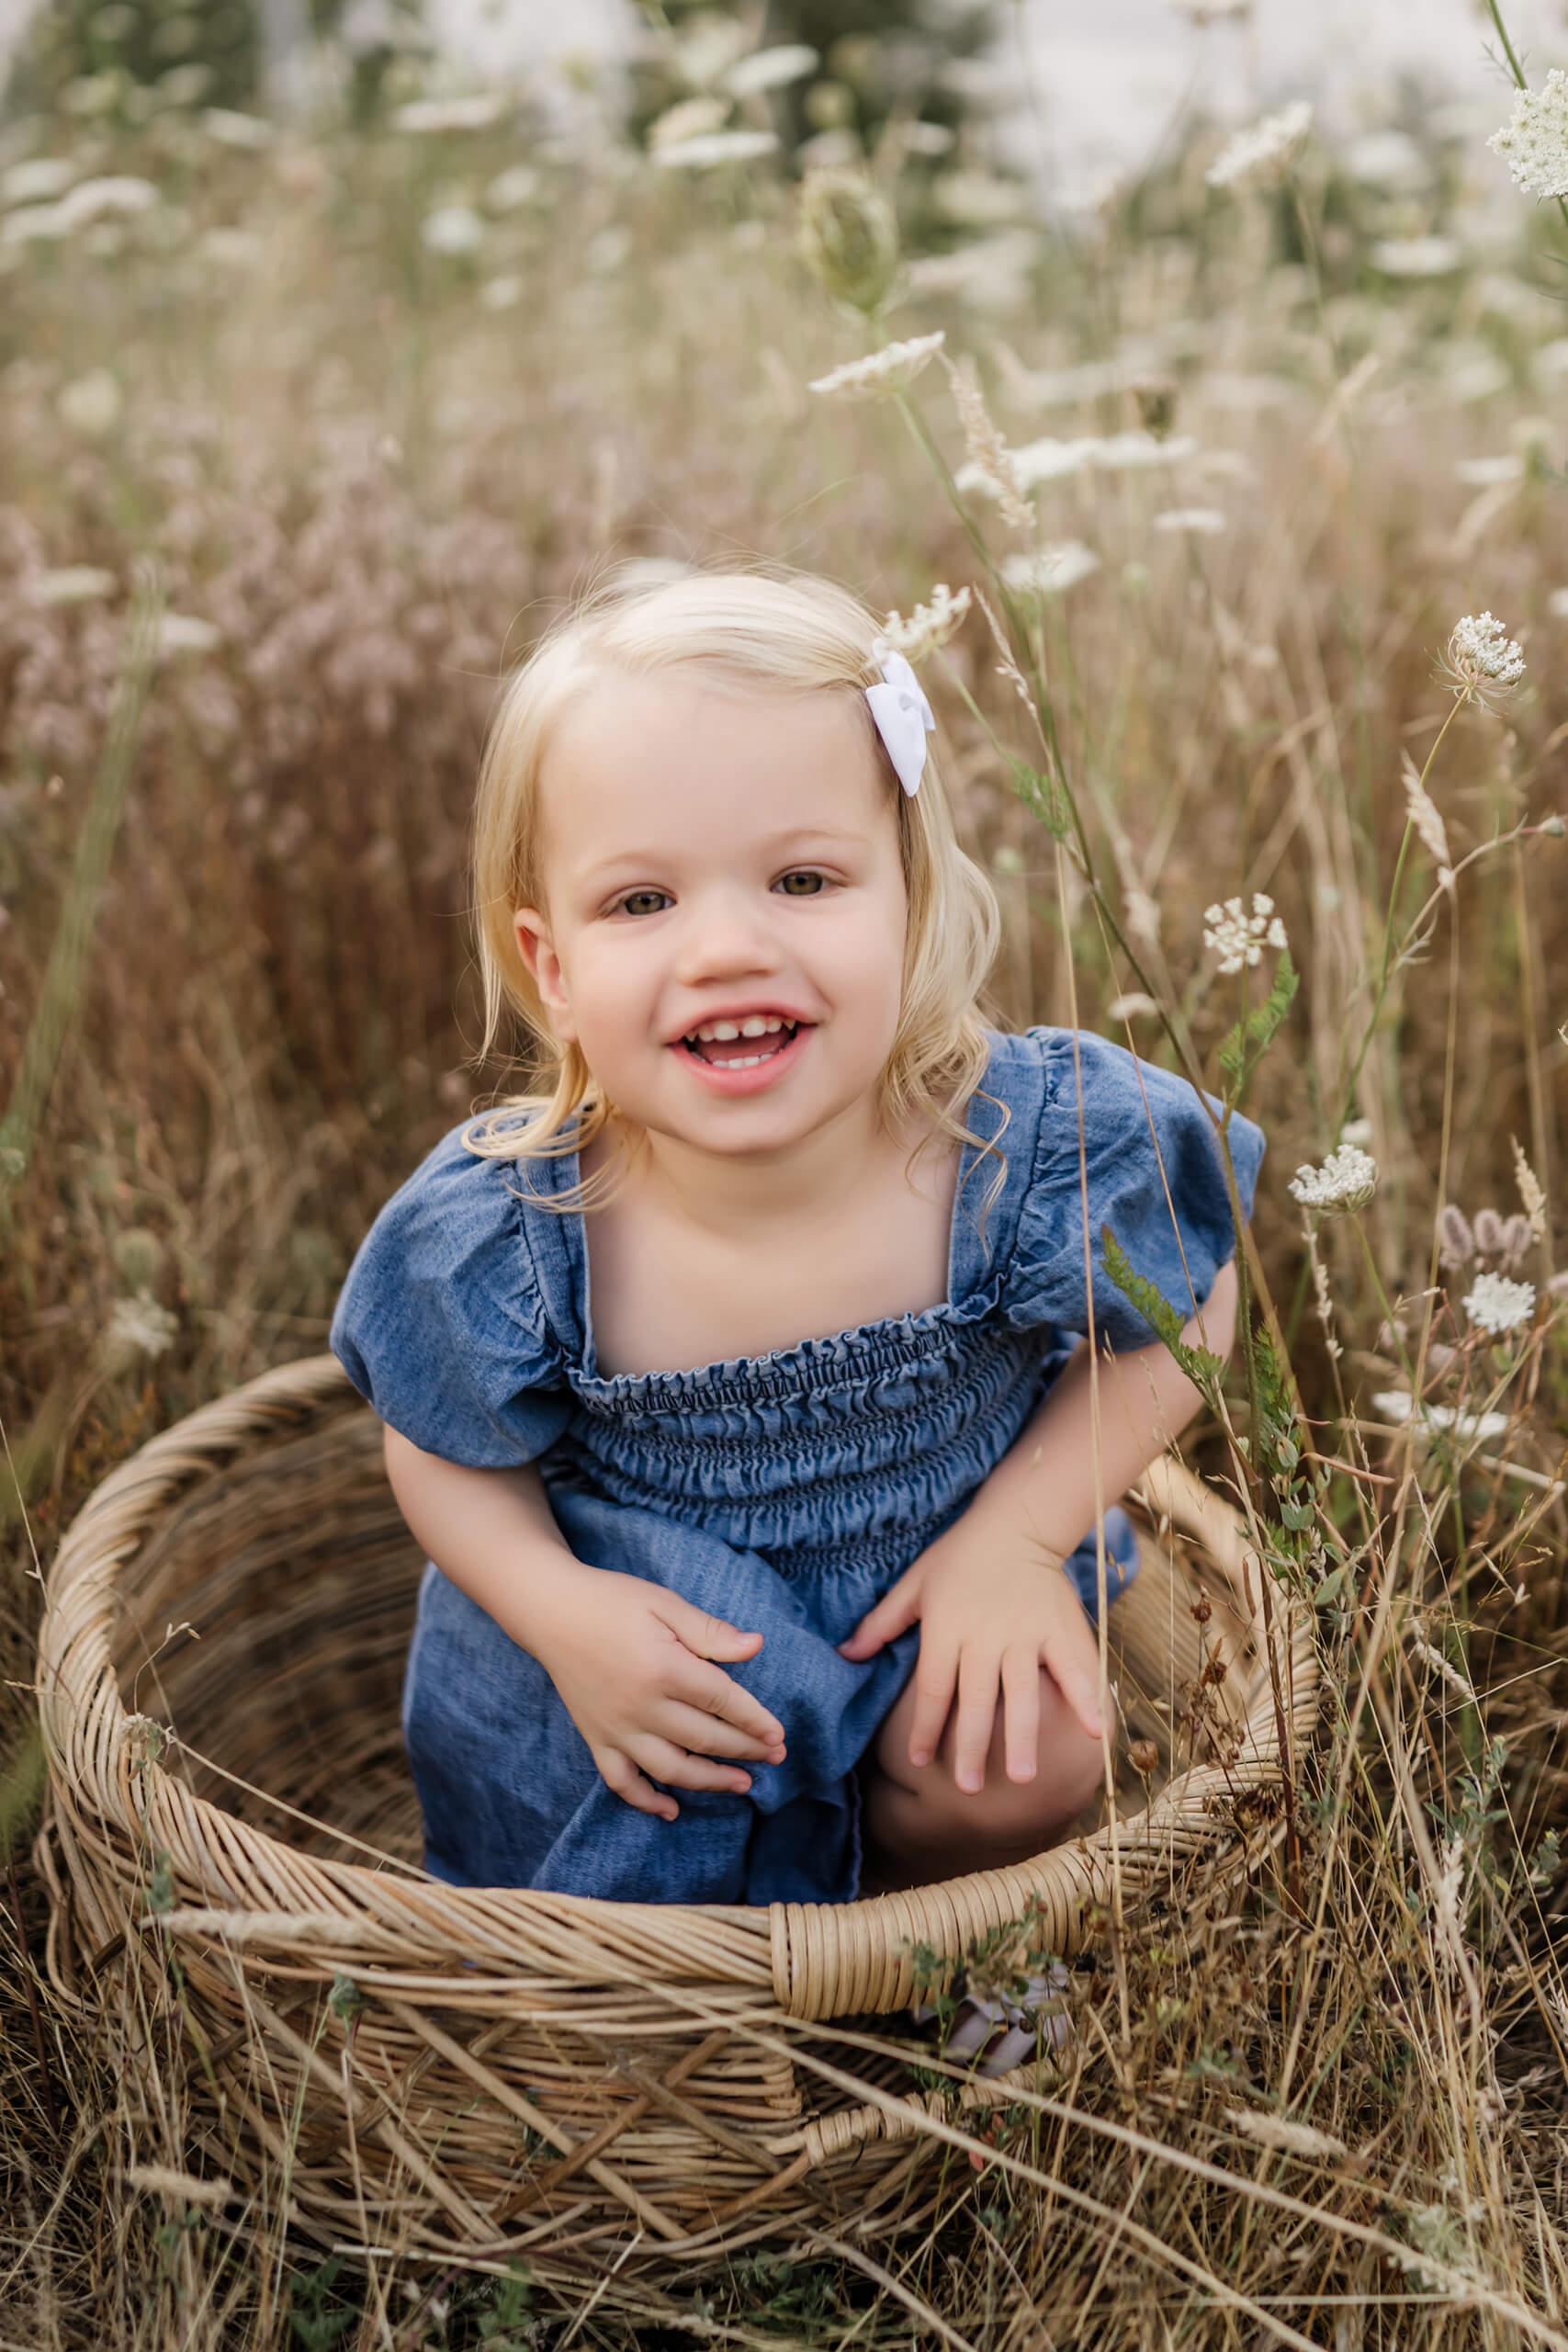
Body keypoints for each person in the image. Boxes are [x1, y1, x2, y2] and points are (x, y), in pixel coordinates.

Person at [330, 565, 1264, 1910]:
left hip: (924, 1619)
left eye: (803, 878)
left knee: (1034, 1748)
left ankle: (906, 1949)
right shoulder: (523, 1227)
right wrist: (562, 1615)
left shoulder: (1008, 1146)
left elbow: (1195, 1301)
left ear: (910, 904)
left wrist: (1017, 1540)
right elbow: (435, 1449)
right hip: (662, 1676)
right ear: (553, 968)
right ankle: (670, 2013)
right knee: (626, 1825)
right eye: (643, 903)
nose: (724, 948)